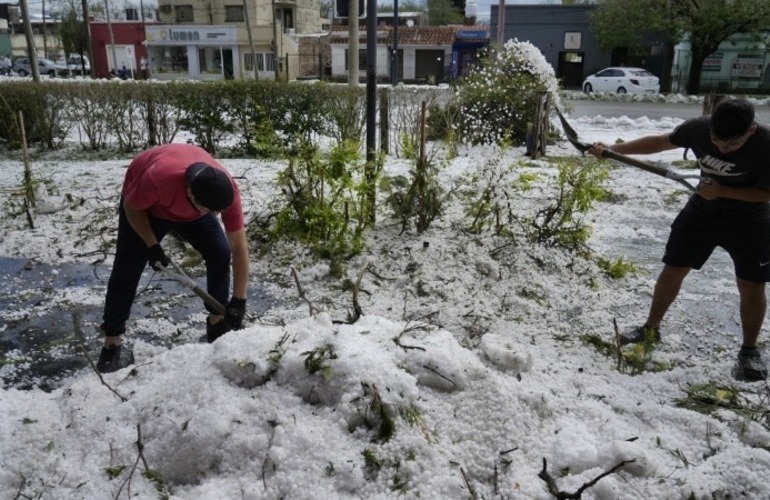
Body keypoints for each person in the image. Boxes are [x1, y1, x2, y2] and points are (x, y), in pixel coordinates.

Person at [589, 97, 770, 382]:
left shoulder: (766, 145)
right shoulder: (699, 128)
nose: (722, 149)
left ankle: (749, 351)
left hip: (750, 220)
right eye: (717, 141)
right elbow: (661, 141)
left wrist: (723, 191)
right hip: (701, 212)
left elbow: (767, 193)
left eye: (731, 145)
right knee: (673, 268)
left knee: (751, 284)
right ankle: (650, 329)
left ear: (751, 130)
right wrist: (612, 149)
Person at [97, 144, 250, 373]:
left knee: (220, 251)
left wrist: (239, 300)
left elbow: (238, 248)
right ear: (190, 192)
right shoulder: (158, 178)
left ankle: (218, 321)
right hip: (147, 208)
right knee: (127, 266)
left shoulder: (226, 193)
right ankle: (112, 342)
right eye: (209, 210)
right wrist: (152, 245)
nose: (214, 216)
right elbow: (132, 208)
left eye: (216, 212)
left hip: (191, 206)